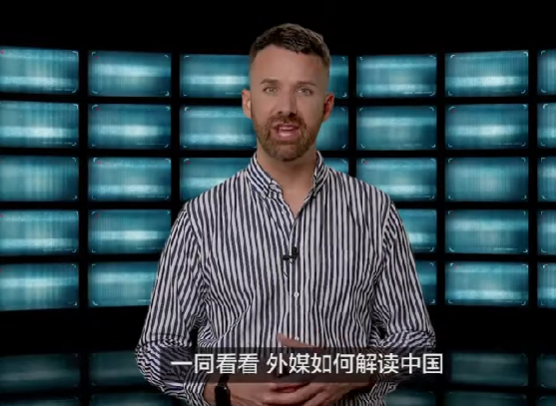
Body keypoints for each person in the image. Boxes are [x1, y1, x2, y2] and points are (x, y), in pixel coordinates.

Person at [136, 23, 435, 406]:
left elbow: (417, 342)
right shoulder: (201, 217)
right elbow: (157, 348)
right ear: (248, 103)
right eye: (271, 89)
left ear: (326, 106)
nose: (287, 108)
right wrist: (219, 387)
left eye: (304, 91)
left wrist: (353, 370)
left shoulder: (374, 211)